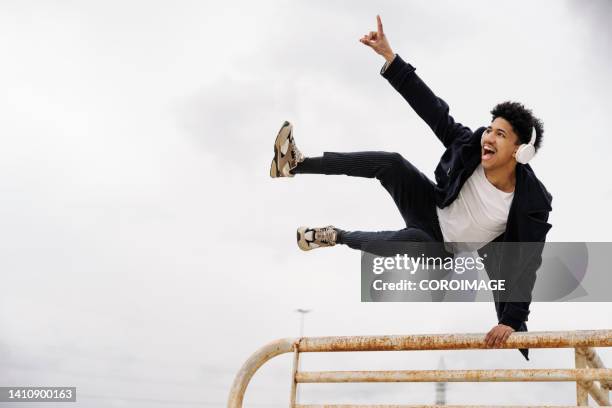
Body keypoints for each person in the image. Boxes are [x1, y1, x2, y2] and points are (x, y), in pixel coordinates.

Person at [269, 15, 552, 359]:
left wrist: (511, 320)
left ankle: (336, 236)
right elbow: (434, 112)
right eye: (490, 129)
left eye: (500, 135)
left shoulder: (531, 203)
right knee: (392, 162)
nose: (488, 138)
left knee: (417, 241)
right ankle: (296, 164)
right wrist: (391, 58)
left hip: (441, 249)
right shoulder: (471, 145)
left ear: (521, 152)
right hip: (429, 207)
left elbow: (526, 263)